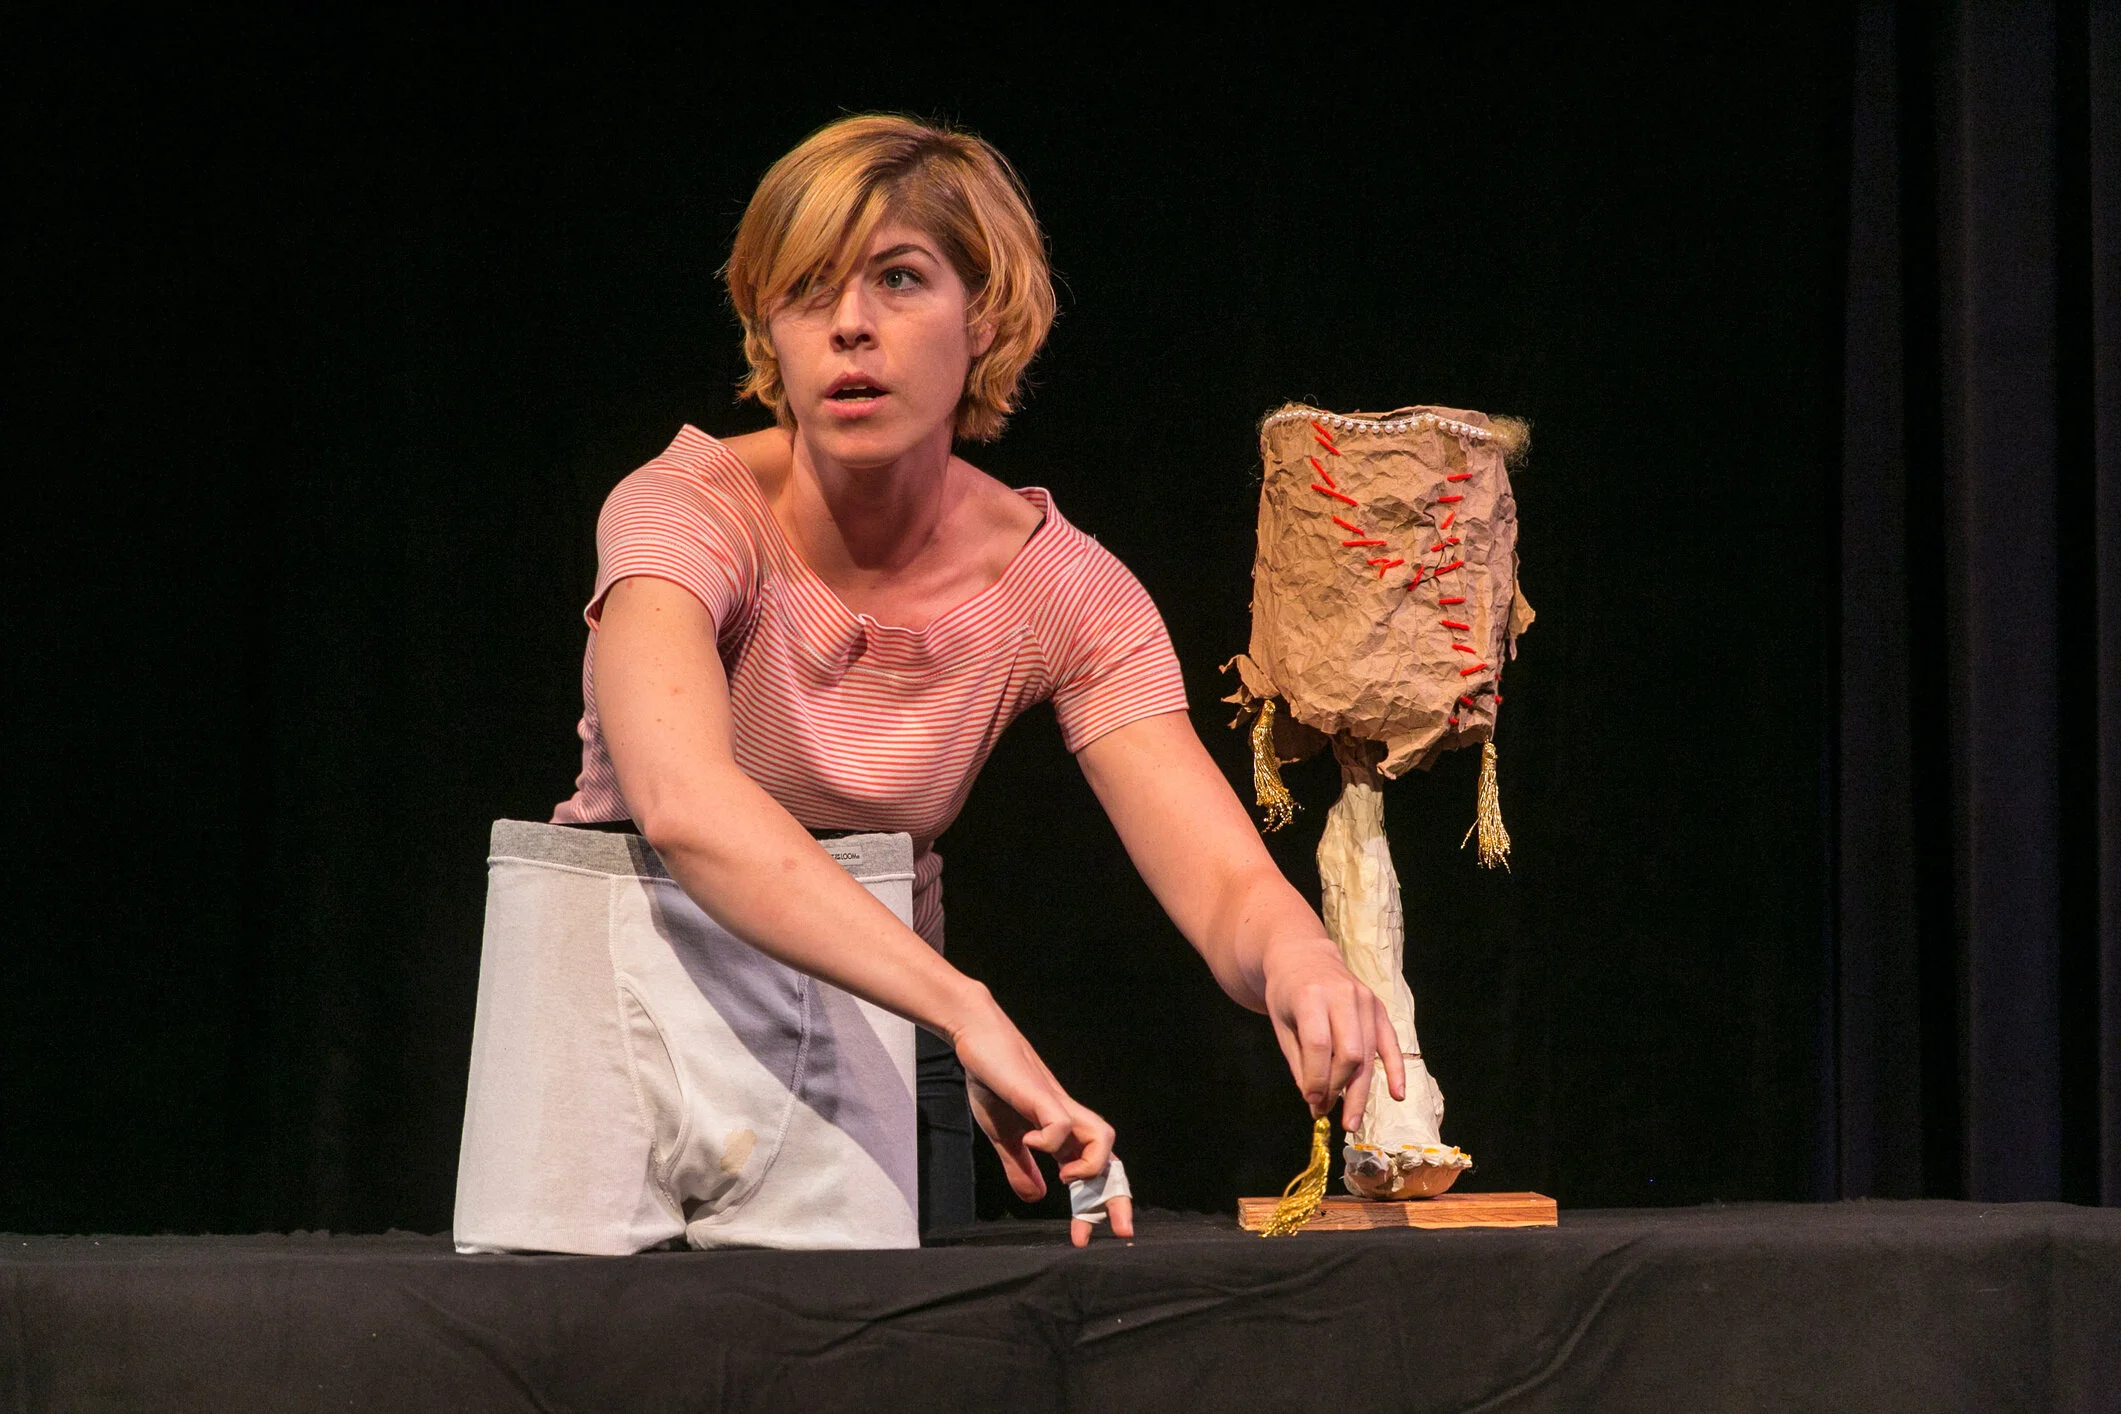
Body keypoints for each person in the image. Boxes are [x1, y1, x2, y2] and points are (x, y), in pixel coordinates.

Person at [451, 114, 1404, 1256]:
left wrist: (1299, 956)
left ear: (984, 313)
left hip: (869, 1035)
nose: (849, 324)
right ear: (768, 326)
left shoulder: (1064, 588)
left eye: (899, 279)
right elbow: (685, 804)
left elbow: (1225, 884)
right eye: (806, 289)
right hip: (619, 998)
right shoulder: (682, 510)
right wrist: (962, 1004)